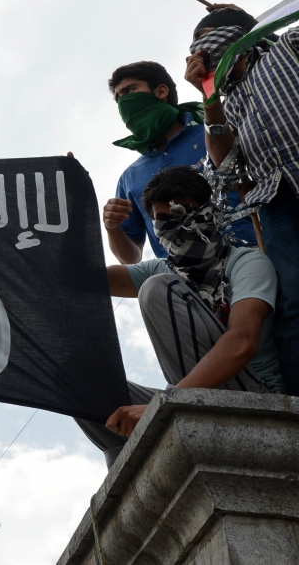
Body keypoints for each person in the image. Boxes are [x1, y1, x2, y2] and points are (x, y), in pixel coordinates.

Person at [78, 166, 284, 468]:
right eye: (163, 219)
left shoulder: (246, 262)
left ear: (208, 211)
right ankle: (131, 462)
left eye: (183, 212)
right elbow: (78, 280)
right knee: (80, 382)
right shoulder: (163, 267)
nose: (175, 226)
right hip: (187, 398)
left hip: (254, 397)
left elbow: (243, 341)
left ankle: (175, 415)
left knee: (156, 289)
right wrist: (73, 201)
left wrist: (169, 402)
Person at [185, 4, 299, 395]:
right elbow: (227, 167)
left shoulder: (289, 47)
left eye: (204, 39)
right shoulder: (225, 99)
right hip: (276, 201)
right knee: (294, 303)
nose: (197, 51)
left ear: (237, 34)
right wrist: (209, 96)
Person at [103, 61, 255, 264]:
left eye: (130, 91)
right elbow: (130, 258)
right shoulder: (130, 178)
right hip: (189, 285)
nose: (124, 102)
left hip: (250, 256)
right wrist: (112, 227)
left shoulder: (212, 133)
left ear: (161, 91)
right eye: (119, 98)